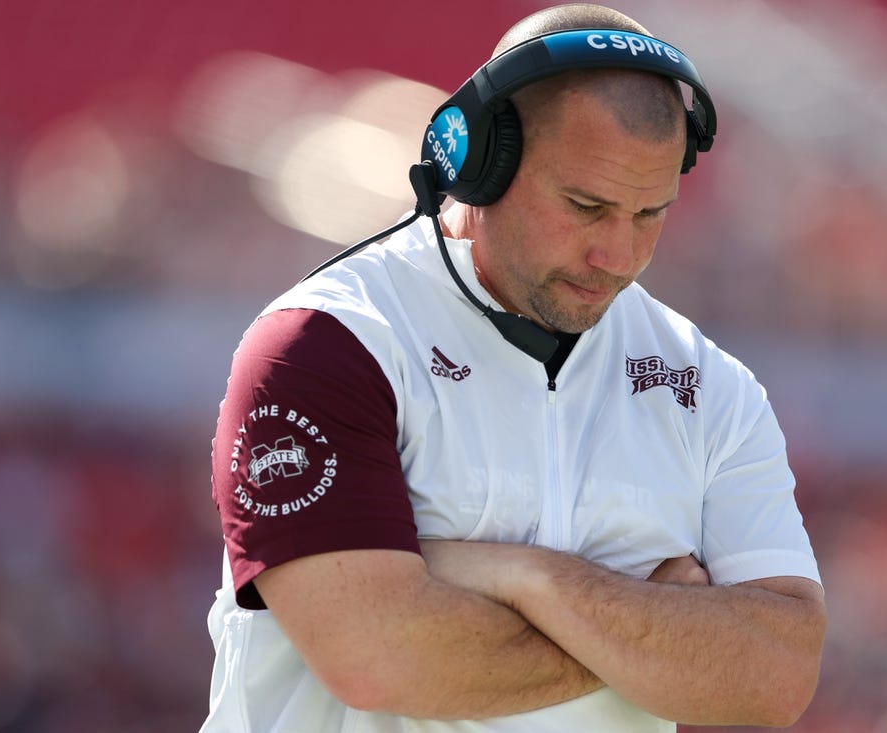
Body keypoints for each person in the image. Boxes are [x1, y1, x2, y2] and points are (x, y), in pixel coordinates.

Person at [201, 4, 826, 732]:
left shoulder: (713, 387)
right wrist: (670, 632)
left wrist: (531, 577)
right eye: (585, 205)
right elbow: (376, 657)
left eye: (650, 212)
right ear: (480, 162)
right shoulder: (325, 345)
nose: (618, 257)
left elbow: (776, 677)